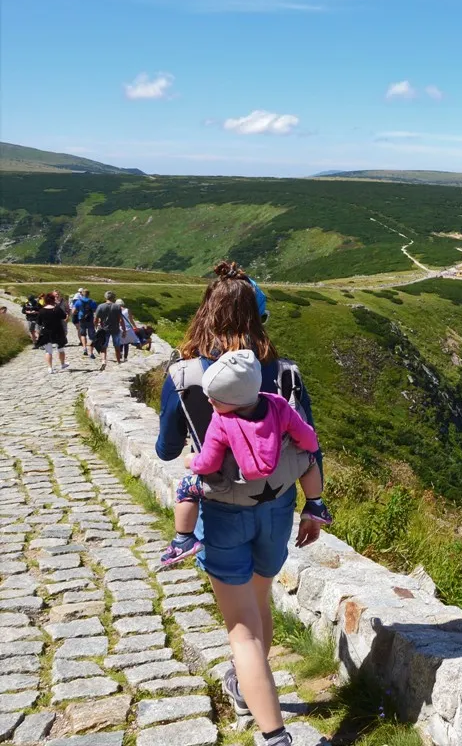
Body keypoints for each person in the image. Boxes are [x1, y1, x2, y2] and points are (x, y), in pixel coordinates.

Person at [154, 261, 329, 746]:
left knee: (241, 630)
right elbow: (311, 445)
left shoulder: (184, 375)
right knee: (260, 599)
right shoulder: (285, 374)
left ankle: (273, 732)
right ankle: (247, 685)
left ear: (205, 313)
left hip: (221, 512)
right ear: (257, 314)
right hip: (277, 507)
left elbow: (165, 450)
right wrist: (314, 506)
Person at [161, 348, 328, 569]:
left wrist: (192, 460)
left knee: (185, 488)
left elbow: (209, 463)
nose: (209, 401)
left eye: (215, 399)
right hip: (279, 485)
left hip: (233, 490)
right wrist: (308, 450)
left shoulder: (221, 422)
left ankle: (183, 539)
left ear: (232, 399)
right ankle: (315, 504)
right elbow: (307, 438)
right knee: (309, 462)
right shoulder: (278, 404)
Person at [34, 293, 69, 373]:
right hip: (58, 331)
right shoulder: (57, 309)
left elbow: (39, 322)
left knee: (48, 351)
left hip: (46, 332)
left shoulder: (41, 311)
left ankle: (50, 368)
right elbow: (64, 317)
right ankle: (62, 364)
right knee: (60, 349)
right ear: (53, 300)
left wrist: (38, 332)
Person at [93, 290, 126, 370]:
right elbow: (121, 320)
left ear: (105, 297)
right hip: (115, 329)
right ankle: (118, 362)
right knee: (117, 347)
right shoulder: (117, 307)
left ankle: (103, 361)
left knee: (103, 346)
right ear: (114, 298)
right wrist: (124, 330)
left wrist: (96, 326)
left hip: (104, 329)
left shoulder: (100, 306)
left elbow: (96, 319)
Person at [71, 288, 98, 359]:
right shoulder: (92, 302)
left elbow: (73, 312)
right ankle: (91, 352)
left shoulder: (78, 301)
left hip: (81, 319)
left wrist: (78, 312)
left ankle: (84, 348)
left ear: (82, 294)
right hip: (90, 320)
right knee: (92, 337)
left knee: (83, 334)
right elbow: (96, 311)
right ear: (89, 294)